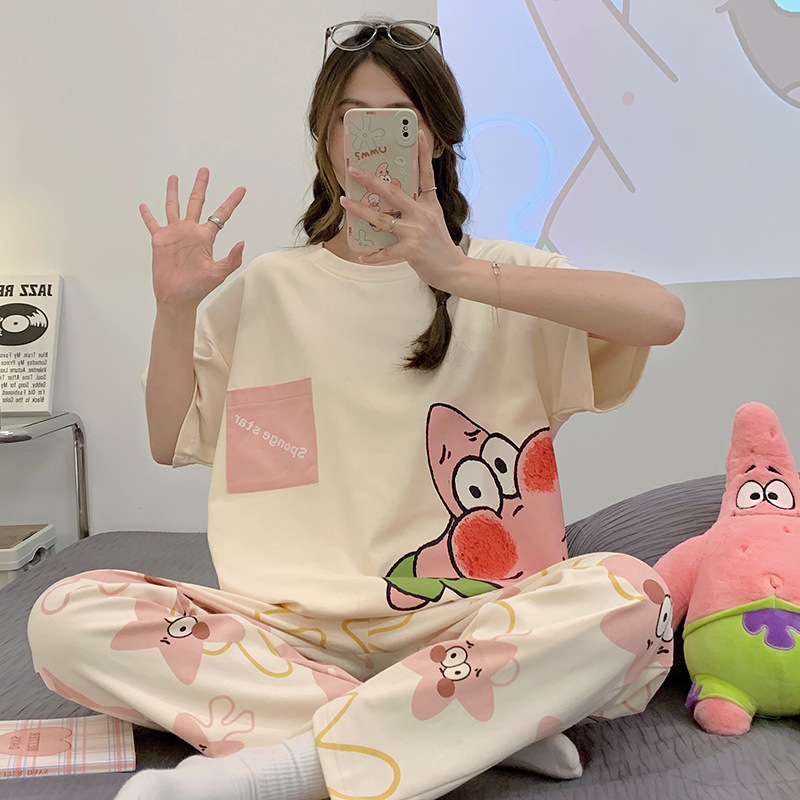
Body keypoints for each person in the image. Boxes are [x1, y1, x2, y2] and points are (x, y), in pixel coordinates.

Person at [28, 19, 685, 800]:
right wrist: (173, 311)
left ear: (435, 138)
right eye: (350, 118)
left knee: (634, 596)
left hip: (471, 623)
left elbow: (661, 317)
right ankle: (468, 726)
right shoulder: (268, 288)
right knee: (64, 616)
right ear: (326, 141)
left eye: (398, 117)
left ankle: (297, 763)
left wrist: (458, 276)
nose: (370, 137)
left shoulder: (502, 275)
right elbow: (167, 439)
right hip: (286, 634)